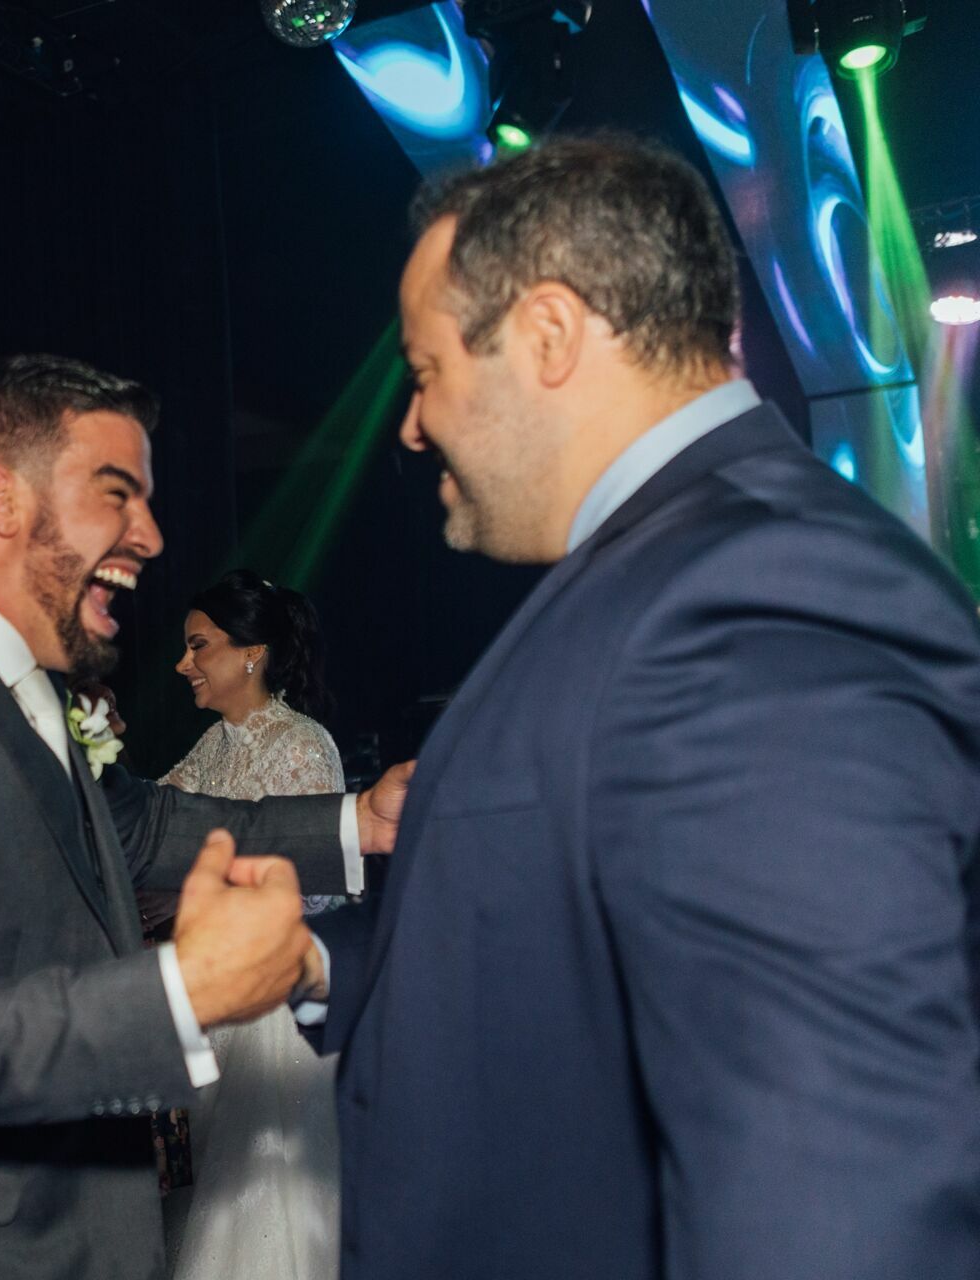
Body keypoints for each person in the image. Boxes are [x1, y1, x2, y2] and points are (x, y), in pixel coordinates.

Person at [296, 134, 980, 1278]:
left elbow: (834, 1191)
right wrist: (321, 960)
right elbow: (565, 920)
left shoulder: (758, 593)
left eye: (424, 374)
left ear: (550, 335)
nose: (411, 428)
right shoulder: (682, 563)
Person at [0, 353, 409, 1279]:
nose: (148, 536)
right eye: (117, 495)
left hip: (65, 1230)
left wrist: (356, 823)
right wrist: (183, 993)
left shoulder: (17, 686)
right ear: (1, 500)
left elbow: (142, 830)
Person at [161, 569, 343, 1280]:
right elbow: (150, 825)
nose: (183, 665)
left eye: (197, 646)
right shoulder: (212, 749)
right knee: (214, 1184)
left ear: (251, 653)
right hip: (216, 1007)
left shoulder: (304, 746)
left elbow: (317, 894)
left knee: (263, 1199)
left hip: (273, 1014)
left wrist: (206, 902)